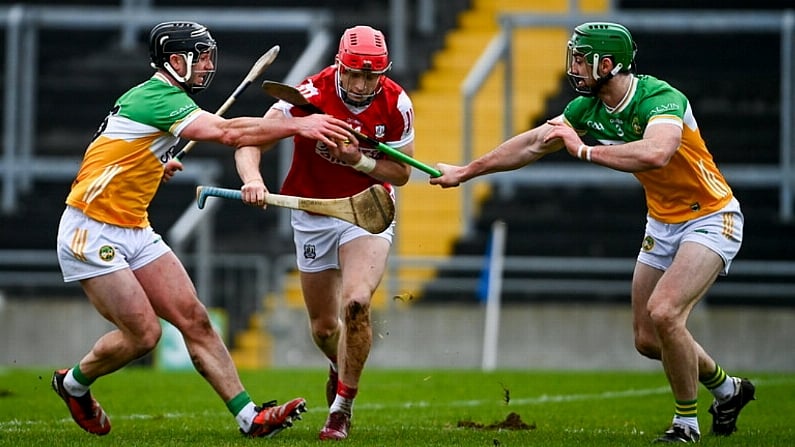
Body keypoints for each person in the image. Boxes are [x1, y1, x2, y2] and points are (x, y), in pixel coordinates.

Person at [429, 22, 755, 443]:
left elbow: (657, 153)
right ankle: (728, 389)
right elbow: (531, 144)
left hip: (711, 216)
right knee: (647, 337)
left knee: (666, 313)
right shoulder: (587, 108)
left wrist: (582, 149)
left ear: (608, 63)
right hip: (663, 221)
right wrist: (466, 171)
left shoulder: (660, 98)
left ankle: (686, 423)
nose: (575, 67)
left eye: (581, 59)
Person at [52, 21, 355, 438]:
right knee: (144, 335)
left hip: (133, 227)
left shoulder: (160, 99)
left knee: (195, 319)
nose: (209, 65)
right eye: (203, 57)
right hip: (91, 230)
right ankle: (72, 385)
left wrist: (152, 166)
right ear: (176, 61)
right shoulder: (158, 96)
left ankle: (249, 417)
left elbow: (114, 153)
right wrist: (298, 126)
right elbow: (229, 132)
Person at [234, 25, 414, 440]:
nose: (361, 84)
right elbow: (248, 141)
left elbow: (401, 173)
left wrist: (359, 161)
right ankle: (338, 364)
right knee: (324, 328)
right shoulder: (308, 96)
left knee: (356, 303)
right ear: (338, 66)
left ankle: (341, 409)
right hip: (313, 212)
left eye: (371, 76)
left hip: (366, 209)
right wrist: (252, 179)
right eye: (353, 74)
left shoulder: (396, 103)